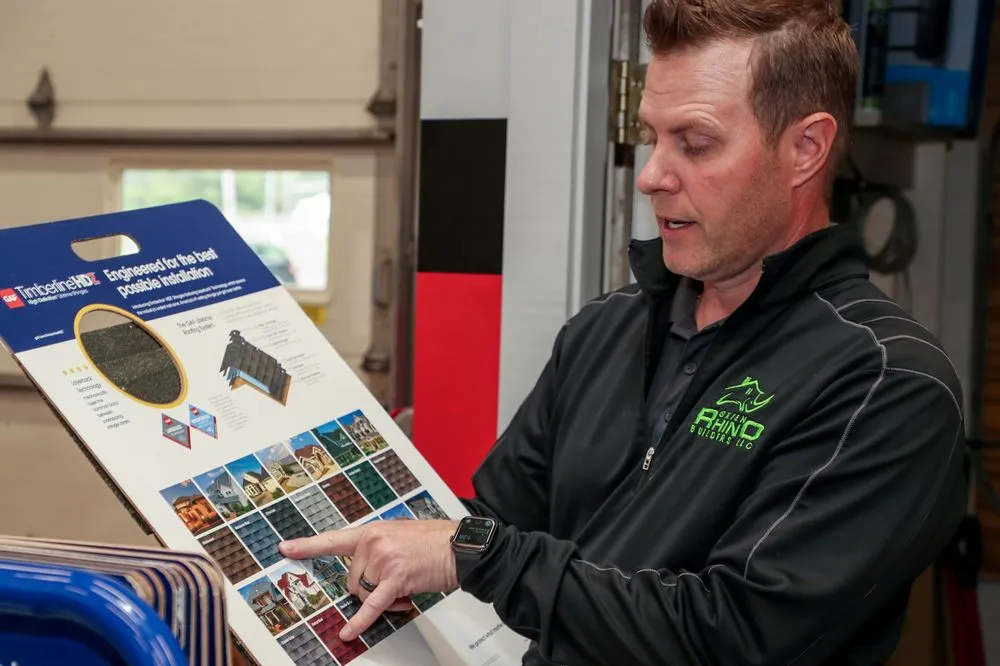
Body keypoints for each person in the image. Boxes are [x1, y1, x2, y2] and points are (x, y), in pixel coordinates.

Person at [279, 1, 968, 663]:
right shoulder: (606, 330)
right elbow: (497, 519)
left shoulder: (885, 384)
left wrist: (476, 555)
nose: (652, 176)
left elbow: (737, 635)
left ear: (807, 148)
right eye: (651, 137)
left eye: (695, 144)